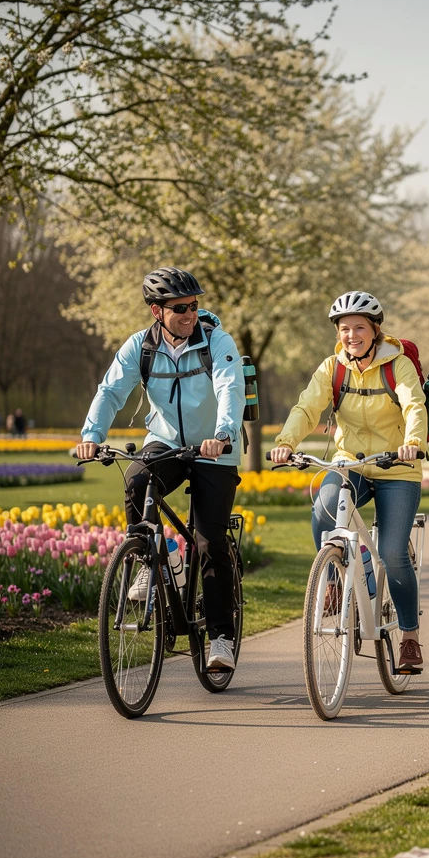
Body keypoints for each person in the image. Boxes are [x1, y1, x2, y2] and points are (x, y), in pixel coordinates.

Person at [74, 267, 246, 672]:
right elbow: (111, 390)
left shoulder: (216, 341)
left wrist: (222, 433)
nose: (190, 314)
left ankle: (221, 638)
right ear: (157, 311)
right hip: (166, 441)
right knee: (136, 482)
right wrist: (91, 434)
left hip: (214, 448)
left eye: (194, 306)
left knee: (208, 542)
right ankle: (151, 559)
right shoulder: (140, 347)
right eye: (180, 308)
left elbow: (229, 388)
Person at [268, 291, 427, 674]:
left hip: (397, 467)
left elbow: (413, 404)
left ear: (375, 331)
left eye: (359, 327)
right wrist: (286, 443)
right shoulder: (332, 368)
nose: (351, 335)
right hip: (350, 463)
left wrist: (413, 442)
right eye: (344, 329)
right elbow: (307, 406)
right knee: (323, 509)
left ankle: (409, 637)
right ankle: (336, 578)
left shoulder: (398, 365)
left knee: (391, 552)